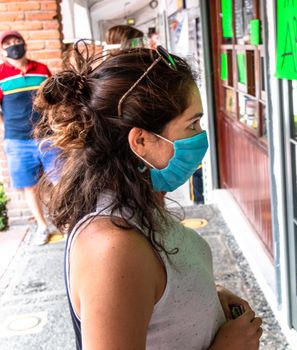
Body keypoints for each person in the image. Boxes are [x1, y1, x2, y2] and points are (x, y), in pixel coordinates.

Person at [33, 44, 263, 349]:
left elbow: (156, 297)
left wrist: (210, 297)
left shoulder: (140, 200)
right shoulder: (112, 247)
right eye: (192, 124)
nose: (200, 135)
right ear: (141, 141)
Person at [0, 30, 58, 245]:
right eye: (8, 43)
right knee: (30, 186)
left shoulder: (42, 70)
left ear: (24, 43)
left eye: (17, 41)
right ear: (2, 50)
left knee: (60, 181)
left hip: (47, 138)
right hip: (17, 142)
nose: (14, 45)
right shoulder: (1, 75)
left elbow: (53, 100)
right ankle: (43, 227)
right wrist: (12, 128)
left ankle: (68, 222)